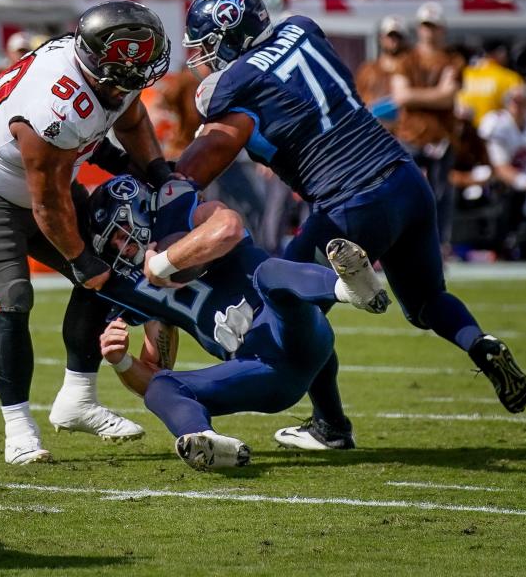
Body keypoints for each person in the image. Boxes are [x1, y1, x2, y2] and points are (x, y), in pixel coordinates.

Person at [168, 0, 526, 450]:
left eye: (207, 46)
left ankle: (331, 425)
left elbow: (216, 112)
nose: (200, 56)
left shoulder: (231, 85)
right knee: (426, 302)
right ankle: (479, 344)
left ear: (230, 37)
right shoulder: (303, 27)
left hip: (350, 203)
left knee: (289, 306)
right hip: (404, 178)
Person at [0, 0, 174, 464]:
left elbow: (131, 119)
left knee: (108, 264)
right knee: (14, 296)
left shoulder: (108, 74)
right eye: (133, 66)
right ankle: (18, 428)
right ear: (104, 66)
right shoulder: (57, 100)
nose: (141, 74)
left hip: (42, 174)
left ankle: (77, 401)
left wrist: (158, 171)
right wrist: (83, 262)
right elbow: (48, 198)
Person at [87, 175, 387, 470]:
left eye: (122, 231)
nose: (121, 246)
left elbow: (228, 227)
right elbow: (154, 373)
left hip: (291, 329)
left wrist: (161, 263)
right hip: (262, 373)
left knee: (268, 275)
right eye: (113, 241)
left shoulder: (185, 213)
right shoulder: (134, 287)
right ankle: (206, 440)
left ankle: (347, 288)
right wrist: (121, 361)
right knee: (160, 389)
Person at [391, 1, 464, 247]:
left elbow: (449, 97)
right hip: (410, 135)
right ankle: (403, 244)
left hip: (440, 136)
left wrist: (417, 95)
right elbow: (401, 96)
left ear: (442, 29)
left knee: (440, 196)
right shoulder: (407, 59)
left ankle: (439, 246)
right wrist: (436, 94)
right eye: (425, 26)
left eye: (433, 26)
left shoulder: (452, 60)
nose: (428, 31)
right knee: (406, 194)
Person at [477, 84, 526, 260]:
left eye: (522, 101)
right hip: (499, 182)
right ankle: (500, 244)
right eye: (515, 101)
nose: (518, 105)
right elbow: (499, 167)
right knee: (509, 191)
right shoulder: (497, 123)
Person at [354, 15, 409, 134]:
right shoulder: (368, 70)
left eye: (398, 37)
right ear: (381, 38)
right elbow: (357, 101)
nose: (394, 41)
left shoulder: (411, 69)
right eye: (390, 36)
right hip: (373, 133)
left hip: (403, 134)